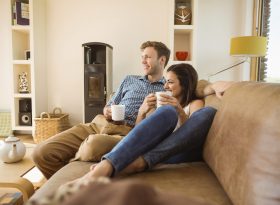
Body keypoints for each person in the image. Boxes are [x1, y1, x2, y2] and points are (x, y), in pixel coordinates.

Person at [32, 41, 171, 179]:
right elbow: (109, 105)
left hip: (125, 133)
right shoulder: (129, 79)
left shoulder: (167, 90)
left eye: (147, 57)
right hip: (99, 124)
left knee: (92, 145)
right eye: (142, 57)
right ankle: (63, 185)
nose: (143, 61)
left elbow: (151, 131)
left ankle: (76, 185)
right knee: (41, 152)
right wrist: (107, 111)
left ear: (162, 60)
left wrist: (143, 111)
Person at [74, 63, 217, 179]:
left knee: (208, 113)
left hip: (177, 152)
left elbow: (192, 133)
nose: (165, 86)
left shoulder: (195, 104)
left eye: (170, 82)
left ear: (185, 85)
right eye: (165, 82)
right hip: (157, 150)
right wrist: (142, 111)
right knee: (168, 112)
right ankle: (116, 164)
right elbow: (139, 133)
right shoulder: (160, 106)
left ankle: (138, 162)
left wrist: (179, 110)